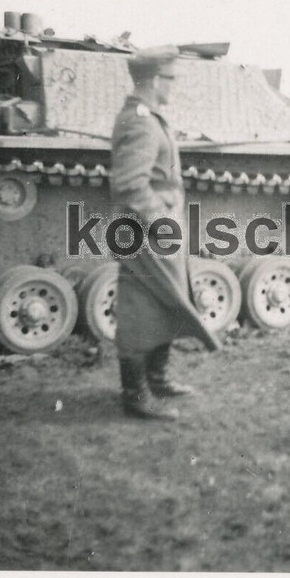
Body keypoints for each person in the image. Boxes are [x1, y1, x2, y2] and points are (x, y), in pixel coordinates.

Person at [110, 46, 220, 421]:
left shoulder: (149, 118)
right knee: (140, 310)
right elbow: (129, 184)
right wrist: (161, 222)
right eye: (171, 79)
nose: (173, 87)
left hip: (156, 231)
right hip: (145, 232)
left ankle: (156, 380)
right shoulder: (141, 121)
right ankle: (135, 396)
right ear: (156, 80)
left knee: (165, 301)